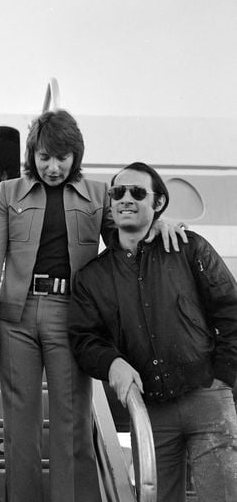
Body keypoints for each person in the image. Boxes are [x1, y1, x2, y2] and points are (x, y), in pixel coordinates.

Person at [0, 110, 187, 502]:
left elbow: (125, 234)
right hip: (15, 318)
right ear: (32, 155)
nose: (53, 167)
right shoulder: (7, 193)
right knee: (20, 427)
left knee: (72, 421)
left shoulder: (99, 193)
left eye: (62, 158)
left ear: (76, 156)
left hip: (68, 315)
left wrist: (156, 222)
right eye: (44, 157)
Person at [69, 162, 237, 502]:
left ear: (158, 203)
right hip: (150, 411)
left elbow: (230, 309)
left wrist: (222, 377)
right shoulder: (92, 277)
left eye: (137, 192)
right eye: (118, 193)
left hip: (207, 399)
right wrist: (112, 363)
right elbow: (85, 339)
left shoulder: (190, 249)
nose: (125, 199)